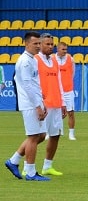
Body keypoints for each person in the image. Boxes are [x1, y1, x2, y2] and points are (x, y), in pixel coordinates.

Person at [4, 31, 50, 181]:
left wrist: (42, 101)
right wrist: (37, 106)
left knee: (41, 135)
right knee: (33, 137)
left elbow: (35, 83)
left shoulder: (33, 59)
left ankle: (14, 160)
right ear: (26, 44)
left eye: (39, 43)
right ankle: (30, 172)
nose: (38, 46)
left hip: (36, 102)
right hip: (29, 104)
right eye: (35, 43)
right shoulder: (25, 61)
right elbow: (27, 86)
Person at [36, 33, 67, 176]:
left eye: (51, 44)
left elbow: (59, 82)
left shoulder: (54, 60)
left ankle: (47, 166)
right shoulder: (35, 60)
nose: (50, 47)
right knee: (38, 136)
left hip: (56, 103)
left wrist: (63, 102)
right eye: (47, 44)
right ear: (40, 44)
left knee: (55, 135)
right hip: (43, 104)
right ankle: (21, 161)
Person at [53, 40, 76, 140]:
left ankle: (71, 133)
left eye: (66, 49)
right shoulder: (52, 59)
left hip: (68, 90)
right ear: (58, 49)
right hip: (56, 91)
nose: (65, 51)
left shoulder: (70, 59)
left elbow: (73, 73)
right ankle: (51, 132)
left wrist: (67, 82)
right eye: (63, 49)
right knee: (54, 113)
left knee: (70, 112)